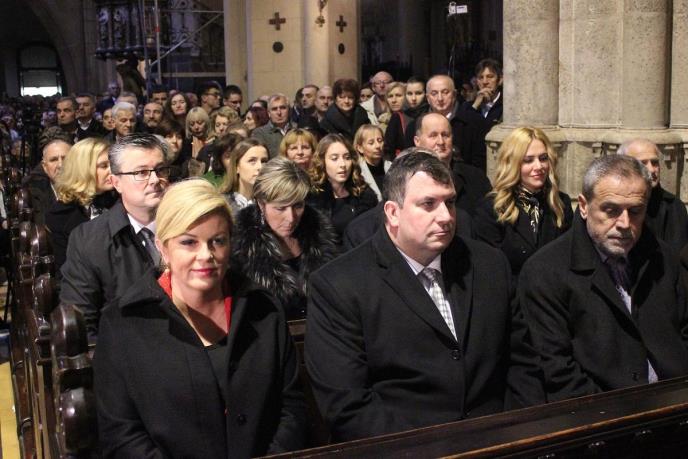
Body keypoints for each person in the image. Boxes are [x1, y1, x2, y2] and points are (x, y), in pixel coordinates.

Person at [305, 152, 543, 442]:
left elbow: (523, 364)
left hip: (499, 439)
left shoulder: (489, 264)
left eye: (450, 202)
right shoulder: (339, 285)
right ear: (393, 212)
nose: (446, 217)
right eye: (428, 204)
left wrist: (520, 434)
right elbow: (349, 406)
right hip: (406, 447)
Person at [94, 179, 307, 458]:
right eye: (189, 242)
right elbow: (121, 434)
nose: (206, 255)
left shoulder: (262, 308)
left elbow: (292, 407)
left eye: (217, 241)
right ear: (162, 247)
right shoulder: (124, 322)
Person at [519, 154, 688, 403]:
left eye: (635, 211)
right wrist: (622, 412)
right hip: (601, 415)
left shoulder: (663, 258)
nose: (624, 223)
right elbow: (558, 370)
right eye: (611, 210)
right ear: (584, 206)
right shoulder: (545, 272)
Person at [60, 133, 171, 335]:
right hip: (126, 346)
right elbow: (81, 322)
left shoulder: (189, 224)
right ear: (116, 182)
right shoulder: (89, 239)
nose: (155, 179)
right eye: (141, 172)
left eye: (160, 169)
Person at [232, 157, 338, 320]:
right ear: (261, 204)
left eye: (298, 206)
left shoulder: (319, 232)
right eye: (280, 208)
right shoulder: (240, 246)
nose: (291, 217)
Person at [474, 127, 573, 278]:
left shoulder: (560, 203)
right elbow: (490, 270)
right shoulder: (491, 208)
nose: (539, 166)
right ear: (512, 163)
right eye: (528, 160)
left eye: (543, 158)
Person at [45, 138, 116, 273]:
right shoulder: (60, 215)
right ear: (84, 169)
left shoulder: (120, 201)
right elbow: (65, 270)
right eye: (103, 166)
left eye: (112, 164)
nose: (112, 170)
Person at [413, 112, 491, 217]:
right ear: (417, 141)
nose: (441, 142)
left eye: (445, 135)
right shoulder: (406, 179)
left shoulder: (475, 177)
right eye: (433, 135)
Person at [619, 138, 688, 251]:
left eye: (654, 162)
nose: (651, 169)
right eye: (642, 163)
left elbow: (679, 254)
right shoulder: (613, 202)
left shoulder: (674, 206)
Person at [307, 134, 377, 238]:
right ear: (322, 162)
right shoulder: (312, 198)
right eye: (334, 158)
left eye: (347, 158)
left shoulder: (364, 194)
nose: (343, 164)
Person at [459, 59, 504, 170]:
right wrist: (475, 105)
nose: (485, 82)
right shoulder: (467, 107)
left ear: (500, 80)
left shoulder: (506, 107)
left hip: (498, 165)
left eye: (490, 77)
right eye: (480, 77)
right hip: (472, 167)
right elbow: (462, 131)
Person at [22, 128, 72, 224]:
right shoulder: (33, 194)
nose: (60, 165)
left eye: (65, 158)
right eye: (54, 160)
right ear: (44, 167)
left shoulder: (88, 190)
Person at [219, 138, 269, 216]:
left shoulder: (273, 202)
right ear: (237, 167)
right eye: (252, 161)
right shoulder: (222, 205)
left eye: (264, 161)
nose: (260, 166)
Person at [385, 76, 429, 159]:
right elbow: (388, 149)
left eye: (418, 93)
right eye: (409, 94)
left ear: (426, 94)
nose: (413, 98)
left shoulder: (432, 115)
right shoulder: (398, 116)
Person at [354, 124, 390, 201]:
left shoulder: (393, 167)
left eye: (380, 141)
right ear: (360, 148)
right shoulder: (357, 174)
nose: (378, 146)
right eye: (371, 143)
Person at [251, 93, 294, 158]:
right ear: (269, 113)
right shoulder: (260, 133)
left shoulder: (297, 130)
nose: (279, 112)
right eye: (274, 109)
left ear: (289, 110)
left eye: (283, 108)